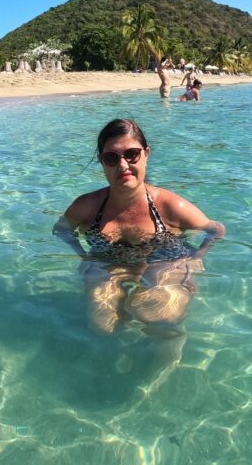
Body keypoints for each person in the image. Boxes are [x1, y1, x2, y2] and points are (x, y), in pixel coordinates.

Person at [54, 119, 225, 334]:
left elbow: (216, 229)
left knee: (163, 319)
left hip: (164, 262)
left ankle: (168, 359)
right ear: (102, 161)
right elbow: (62, 229)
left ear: (146, 154)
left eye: (131, 154)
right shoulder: (87, 206)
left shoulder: (170, 206)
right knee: (102, 324)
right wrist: (84, 257)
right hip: (109, 264)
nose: (123, 165)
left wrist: (195, 259)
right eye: (111, 158)